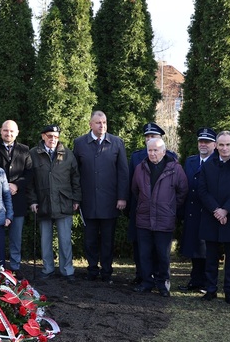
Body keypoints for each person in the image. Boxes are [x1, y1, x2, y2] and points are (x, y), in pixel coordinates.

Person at [196, 130, 230, 304]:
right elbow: (202, 190)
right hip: (212, 216)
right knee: (211, 257)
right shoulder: (208, 164)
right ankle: (211, 289)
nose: (224, 148)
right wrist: (216, 210)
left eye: (228, 144)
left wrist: (226, 210)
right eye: (221, 145)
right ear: (216, 145)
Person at [73, 111, 128, 283]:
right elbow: (75, 173)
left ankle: (106, 271)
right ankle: (91, 269)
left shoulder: (117, 143)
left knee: (107, 239)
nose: (102, 125)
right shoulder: (80, 143)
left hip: (110, 201)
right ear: (90, 124)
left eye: (104, 122)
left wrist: (122, 197)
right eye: (98, 122)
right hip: (88, 201)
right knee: (89, 239)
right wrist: (76, 198)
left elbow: (123, 172)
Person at [131, 137, 188, 296]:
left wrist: (170, 207)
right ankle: (146, 282)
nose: (153, 153)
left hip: (164, 219)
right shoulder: (140, 168)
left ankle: (163, 285)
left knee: (163, 255)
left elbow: (183, 191)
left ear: (164, 151)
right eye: (150, 150)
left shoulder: (175, 168)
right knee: (145, 254)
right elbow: (135, 190)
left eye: (156, 150)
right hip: (144, 219)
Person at [27, 125, 81, 283]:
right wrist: (33, 201)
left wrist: (76, 199)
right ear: (43, 136)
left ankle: (67, 270)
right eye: (50, 136)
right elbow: (29, 182)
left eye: (56, 137)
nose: (53, 139)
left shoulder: (68, 154)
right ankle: (48, 269)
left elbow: (75, 178)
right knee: (45, 239)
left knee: (65, 240)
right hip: (43, 202)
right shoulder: (33, 154)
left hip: (64, 202)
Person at [127, 122, 177, 283]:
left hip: (162, 211)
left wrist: (170, 205)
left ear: (160, 139)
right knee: (140, 246)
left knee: (160, 248)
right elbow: (132, 185)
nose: (149, 139)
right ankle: (141, 275)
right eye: (147, 137)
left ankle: (159, 278)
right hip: (142, 208)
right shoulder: (136, 156)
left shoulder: (171, 157)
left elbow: (180, 189)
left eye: (153, 136)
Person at [178, 127, 216, 292]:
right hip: (192, 210)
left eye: (207, 142)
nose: (203, 144)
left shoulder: (217, 162)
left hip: (208, 211)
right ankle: (195, 281)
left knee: (207, 250)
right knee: (194, 248)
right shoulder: (191, 161)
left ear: (214, 144)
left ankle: (208, 283)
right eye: (201, 141)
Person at [0, 120, 32, 276]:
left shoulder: (25, 150)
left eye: (11, 131)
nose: (8, 134)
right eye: (5, 130)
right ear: (0, 131)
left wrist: (16, 185)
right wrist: (4, 186)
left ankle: (15, 267)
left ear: (17, 133)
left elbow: (29, 173)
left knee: (16, 236)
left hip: (17, 200)